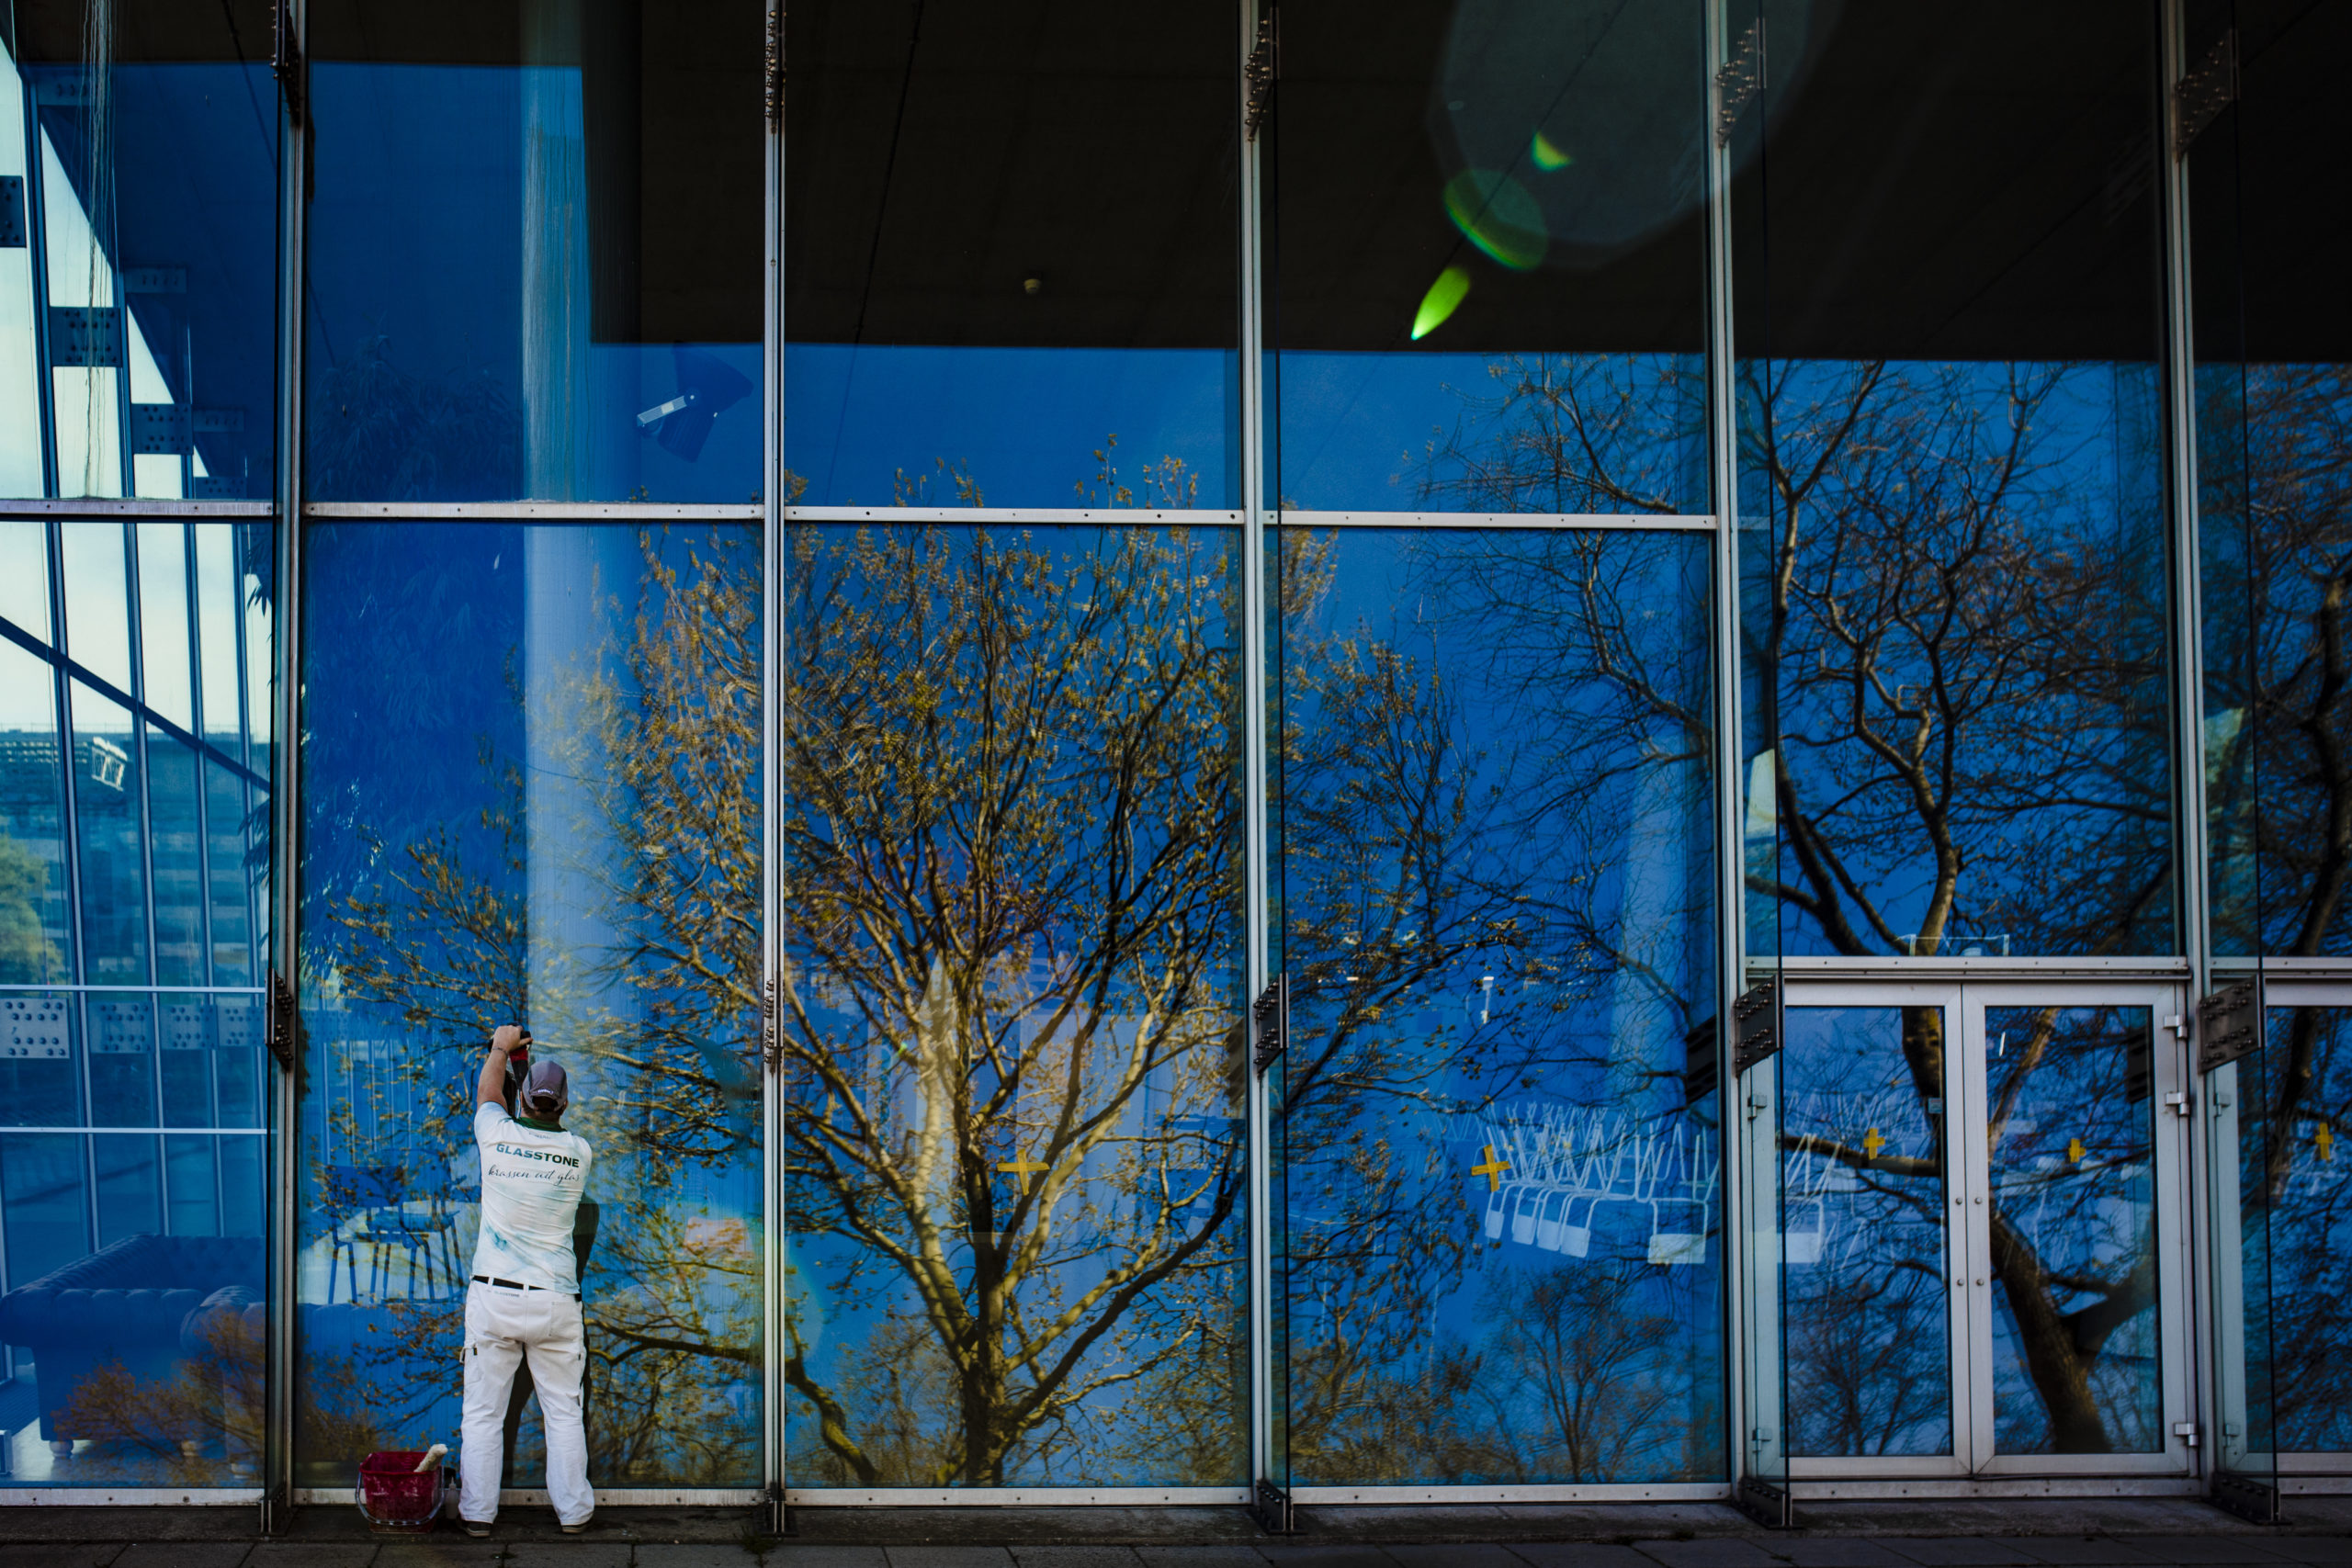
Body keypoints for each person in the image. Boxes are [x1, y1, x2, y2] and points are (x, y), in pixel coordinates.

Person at [458, 1023, 596, 1537]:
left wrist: (502, 1047)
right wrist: (521, 1072)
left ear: (525, 1102)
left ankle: (477, 1515)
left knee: (483, 1415)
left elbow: (489, 1094)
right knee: (563, 1413)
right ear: (562, 1105)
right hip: (556, 1302)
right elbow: (526, 1118)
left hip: (494, 1297)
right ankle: (575, 1514)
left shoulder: (496, 1136)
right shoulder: (579, 1153)